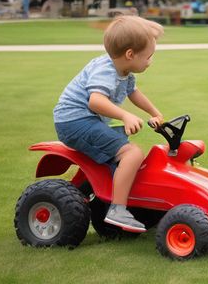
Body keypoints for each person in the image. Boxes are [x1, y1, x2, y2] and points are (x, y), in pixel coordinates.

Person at [52, 15, 166, 232]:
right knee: (131, 153)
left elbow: (133, 92)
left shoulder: (124, 70)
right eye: (149, 57)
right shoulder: (105, 70)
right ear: (130, 54)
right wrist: (125, 116)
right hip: (75, 121)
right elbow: (95, 101)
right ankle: (118, 209)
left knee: (122, 142)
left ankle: (115, 195)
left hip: (87, 121)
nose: (150, 61)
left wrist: (155, 112)